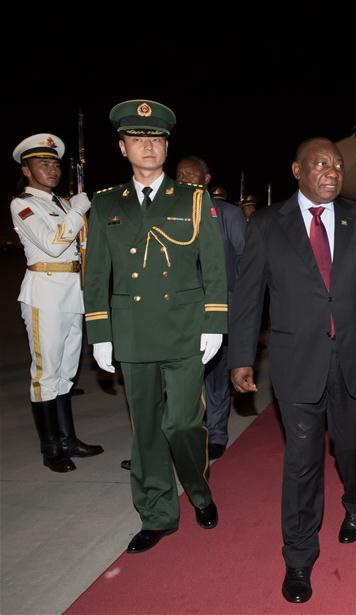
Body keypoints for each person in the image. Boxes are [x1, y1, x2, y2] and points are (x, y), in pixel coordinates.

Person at [229, 138, 356, 604]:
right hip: (297, 364)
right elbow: (249, 297)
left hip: (354, 358)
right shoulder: (267, 225)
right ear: (297, 170)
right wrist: (241, 356)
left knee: (353, 448)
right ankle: (299, 556)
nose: (333, 171)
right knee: (301, 463)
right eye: (321, 164)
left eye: (338, 165)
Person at [83, 100, 225, 554]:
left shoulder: (194, 199)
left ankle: (198, 492)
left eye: (157, 138)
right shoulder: (106, 205)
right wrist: (100, 333)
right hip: (133, 333)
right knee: (145, 430)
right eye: (138, 138)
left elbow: (214, 267)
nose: (149, 145)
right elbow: (95, 274)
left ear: (167, 145)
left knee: (183, 423)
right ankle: (157, 513)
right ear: (123, 147)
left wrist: (214, 322)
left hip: (184, 330)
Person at [10, 133, 102, 473]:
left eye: (54, 163)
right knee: (46, 373)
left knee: (66, 373)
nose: (51, 169)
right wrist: (78, 210)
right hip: (44, 294)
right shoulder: (23, 204)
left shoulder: (61, 204)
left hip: (72, 292)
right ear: (26, 169)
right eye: (42, 163)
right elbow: (53, 242)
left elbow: (84, 244)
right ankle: (51, 448)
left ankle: (68, 439)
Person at [176, 156, 246, 459]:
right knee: (183, 377)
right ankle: (187, 431)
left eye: (193, 177)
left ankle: (216, 433)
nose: (186, 182)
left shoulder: (227, 214)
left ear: (206, 179)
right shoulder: (169, 213)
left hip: (219, 308)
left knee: (216, 376)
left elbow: (246, 263)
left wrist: (244, 312)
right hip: (180, 310)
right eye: (180, 177)